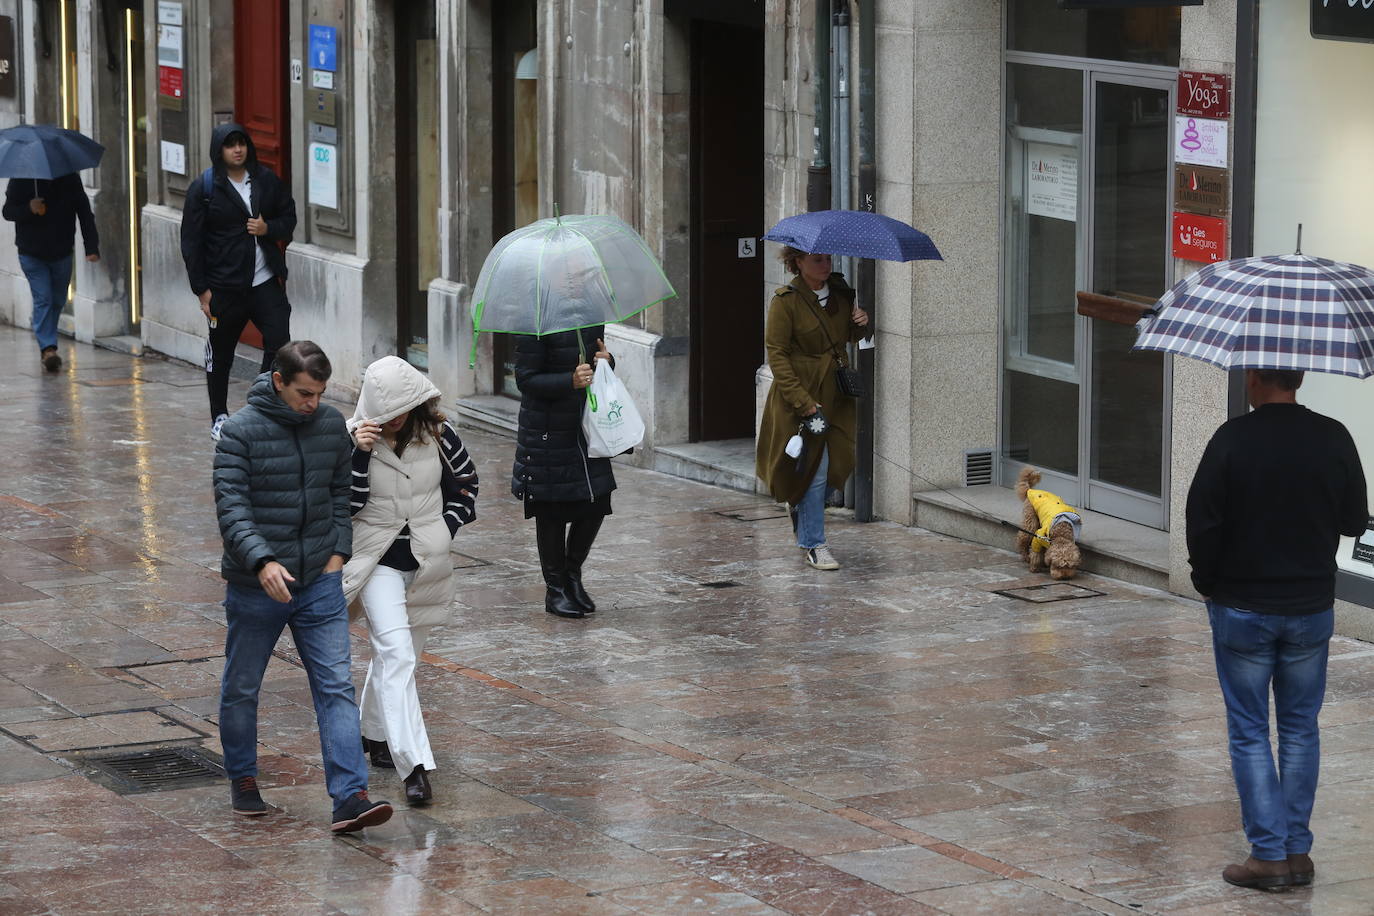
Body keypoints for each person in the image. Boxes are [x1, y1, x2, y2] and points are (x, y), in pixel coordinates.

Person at [1186, 368, 1367, 890]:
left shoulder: (1232, 438)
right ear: (1302, 376)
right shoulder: (1333, 436)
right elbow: (1356, 521)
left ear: (1257, 379)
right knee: (1299, 728)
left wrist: (1207, 582)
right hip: (1310, 607)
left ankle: (1267, 855)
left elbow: (1203, 518)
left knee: (1248, 731)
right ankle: (1297, 852)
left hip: (1242, 606)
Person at [213, 340, 393, 833]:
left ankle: (350, 798)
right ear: (278, 382)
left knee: (336, 686)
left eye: (319, 393)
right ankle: (243, 779)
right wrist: (262, 561)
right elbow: (232, 507)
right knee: (242, 686)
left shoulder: (331, 425)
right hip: (257, 586)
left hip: (320, 580)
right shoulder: (239, 432)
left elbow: (342, 491)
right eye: (304, 393)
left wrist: (338, 553)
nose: (313, 403)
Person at [343, 356, 478, 805]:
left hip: (426, 560)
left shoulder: (440, 434)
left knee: (400, 657)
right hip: (375, 560)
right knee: (397, 654)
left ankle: (374, 733)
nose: (393, 419)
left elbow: (468, 485)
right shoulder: (350, 439)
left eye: (402, 408)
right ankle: (414, 765)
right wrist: (360, 453)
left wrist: (445, 527)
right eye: (385, 412)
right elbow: (347, 504)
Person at [181, 122, 297, 441]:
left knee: (279, 343)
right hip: (223, 288)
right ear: (219, 150)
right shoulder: (204, 189)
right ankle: (219, 415)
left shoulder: (265, 181)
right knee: (220, 355)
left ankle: (259, 408)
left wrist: (267, 228)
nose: (237, 149)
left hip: (264, 283)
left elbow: (288, 220)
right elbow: (191, 242)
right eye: (230, 144)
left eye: (241, 143)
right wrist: (202, 291)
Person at [756, 247, 869, 570]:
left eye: (828, 259)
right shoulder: (786, 301)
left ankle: (802, 506)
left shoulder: (842, 295)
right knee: (814, 471)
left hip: (836, 393)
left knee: (840, 463)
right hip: (800, 395)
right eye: (816, 259)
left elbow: (848, 336)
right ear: (798, 263)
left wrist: (860, 323)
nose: (825, 265)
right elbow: (777, 355)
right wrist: (803, 402)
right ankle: (815, 543)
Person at [511, 327, 615, 619]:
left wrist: (607, 360)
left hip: (586, 424)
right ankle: (555, 589)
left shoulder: (591, 317)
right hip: (547, 429)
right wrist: (569, 380)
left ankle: (572, 575)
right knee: (551, 509)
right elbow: (525, 379)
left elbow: (597, 363)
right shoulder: (536, 325)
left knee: (597, 500)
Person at [3, 172, 99, 372]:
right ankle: (48, 348)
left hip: (62, 251)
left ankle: (46, 338)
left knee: (57, 300)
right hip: (31, 253)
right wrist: (30, 208)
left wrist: (91, 246)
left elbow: (84, 211)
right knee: (44, 298)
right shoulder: (22, 178)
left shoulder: (70, 177)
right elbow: (8, 211)